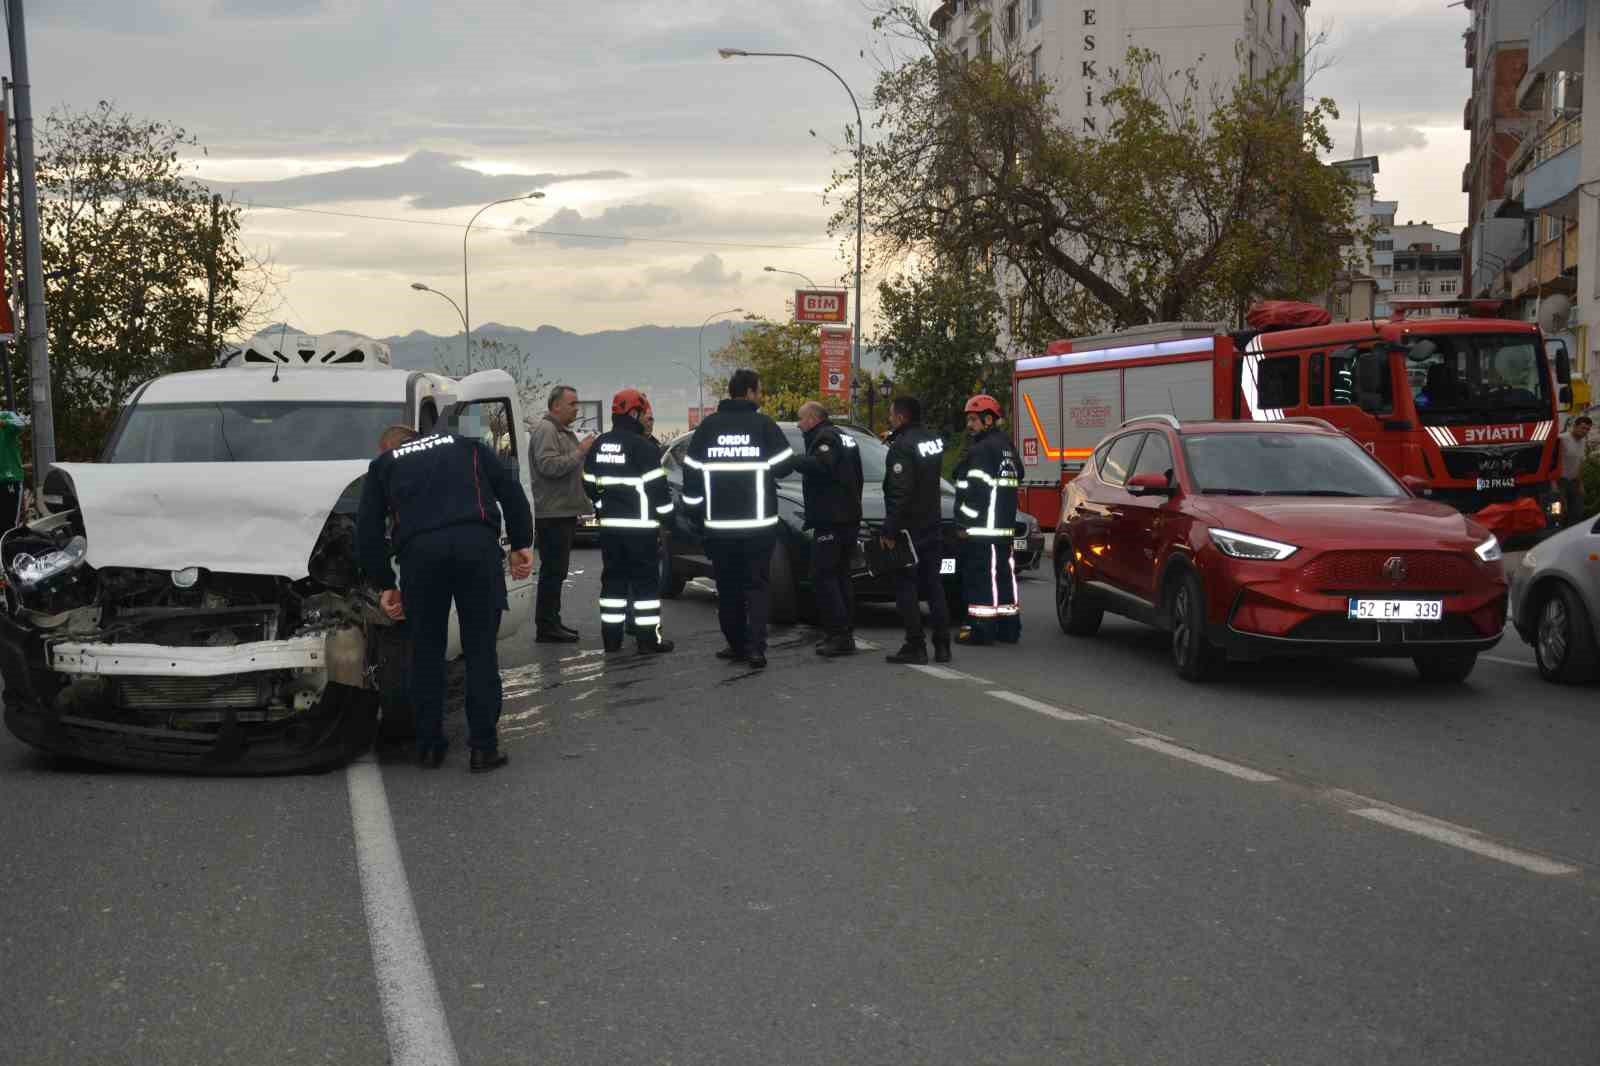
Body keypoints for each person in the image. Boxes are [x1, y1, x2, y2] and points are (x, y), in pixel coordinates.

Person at [357, 424, 534, 773]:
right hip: (476, 548)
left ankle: (429, 747)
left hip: (420, 558)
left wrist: (385, 584)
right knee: (480, 650)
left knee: (426, 652)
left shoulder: (384, 464)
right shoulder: (466, 445)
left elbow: (368, 531)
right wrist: (520, 544)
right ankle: (483, 748)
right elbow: (510, 490)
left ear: (387, 446)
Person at [682, 368, 795, 669]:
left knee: (728, 588)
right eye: (758, 391)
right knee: (756, 587)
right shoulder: (763, 425)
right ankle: (756, 649)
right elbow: (784, 466)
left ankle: (736, 645)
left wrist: (695, 514)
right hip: (758, 527)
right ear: (748, 393)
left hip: (719, 528)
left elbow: (691, 475)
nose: (760, 396)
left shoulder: (708, 428)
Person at [583, 389, 675, 654]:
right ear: (634, 413)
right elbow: (658, 490)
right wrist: (667, 518)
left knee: (612, 583)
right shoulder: (643, 447)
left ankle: (611, 641)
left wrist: (602, 507)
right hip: (641, 530)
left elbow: (588, 483)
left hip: (611, 529)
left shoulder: (600, 444)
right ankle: (648, 641)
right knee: (645, 585)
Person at [881, 395, 951, 665]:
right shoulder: (932, 440)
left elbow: (901, 491)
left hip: (909, 529)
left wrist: (889, 530)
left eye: (891, 415)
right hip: (932, 522)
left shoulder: (902, 446)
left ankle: (915, 644)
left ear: (901, 417)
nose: (889, 419)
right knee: (934, 585)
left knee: (906, 587)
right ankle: (943, 645)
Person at [791, 401, 864, 657]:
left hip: (831, 519)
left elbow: (822, 465)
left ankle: (838, 634)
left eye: (801, 419)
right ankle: (845, 634)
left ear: (813, 418)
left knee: (823, 576)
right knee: (841, 576)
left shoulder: (826, 438)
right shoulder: (845, 436)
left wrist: (794, 461)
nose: (799, 425)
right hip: (848, 517)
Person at [953, 394, 1023, 645]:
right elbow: (1019, 475)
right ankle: (1008, 628)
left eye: (973, 420)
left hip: (983, 529)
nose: (969, 425)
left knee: (982, 578)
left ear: (989, 420)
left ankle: (981, 629)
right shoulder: (1007, 448)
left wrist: (963, 523)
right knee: (1004, 577)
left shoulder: (981, 450)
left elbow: (976, 493)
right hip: (1004, 527)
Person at [528, 385, 595, 643]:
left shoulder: (558, 430)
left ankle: (552, 621)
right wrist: (580, 451)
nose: (576, 408)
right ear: (556, 406)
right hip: (552, 513)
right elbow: (548, 465)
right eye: (572, 404)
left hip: (562, 511)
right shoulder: (547, 430)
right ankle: (546, 625)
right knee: (553, 571)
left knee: (557, 570)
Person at [1558, 415, 1592, 526]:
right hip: (1560, 481)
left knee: (1578, 511)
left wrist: (1580, 483)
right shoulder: (1562, 439)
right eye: (1583, 428)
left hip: (1574, 481)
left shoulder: (1583, 442)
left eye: (1587, 429)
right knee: (1559, 511)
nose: (1585, 431)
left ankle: (1572, 535)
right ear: (1575, 426)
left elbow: (1580, 463)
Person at [0, 409, 29, 529]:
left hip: (10, 480)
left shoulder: (6, 415)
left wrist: (3, 423)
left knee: (9, 528)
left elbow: (21, 425)